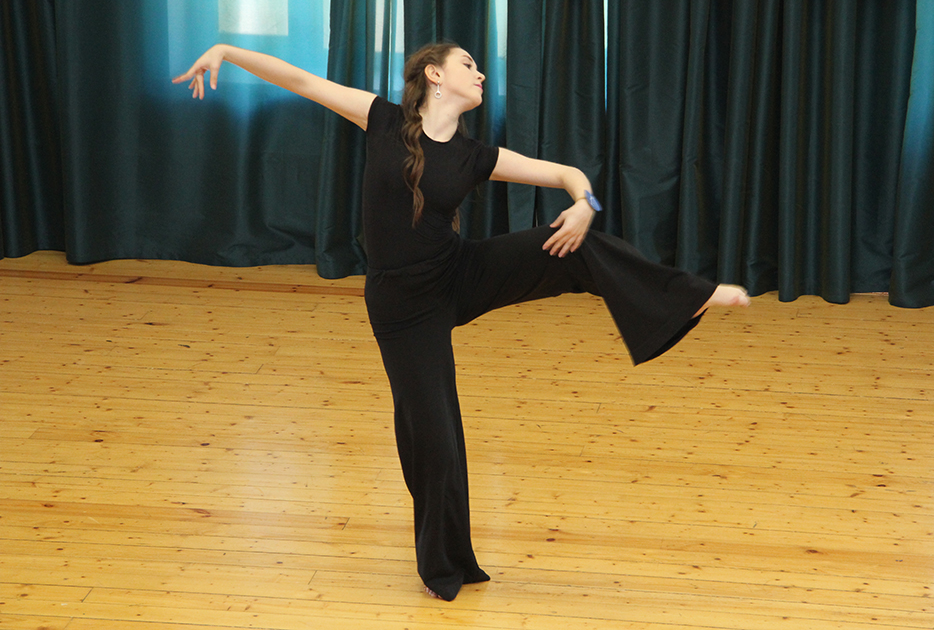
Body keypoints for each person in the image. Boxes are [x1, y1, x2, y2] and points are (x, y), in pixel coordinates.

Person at [174, 42, 750, 601]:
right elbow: (300, 80)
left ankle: (688, 297)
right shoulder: (383, 119)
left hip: (458, 273)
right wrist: (226, 50)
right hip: (402, 306)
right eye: (468, 64)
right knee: (434, 436)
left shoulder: (474, 156)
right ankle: (444, 564)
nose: (480, 74)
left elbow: (567, 173)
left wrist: (585, 205)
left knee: (575, 247)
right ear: (434, 74)